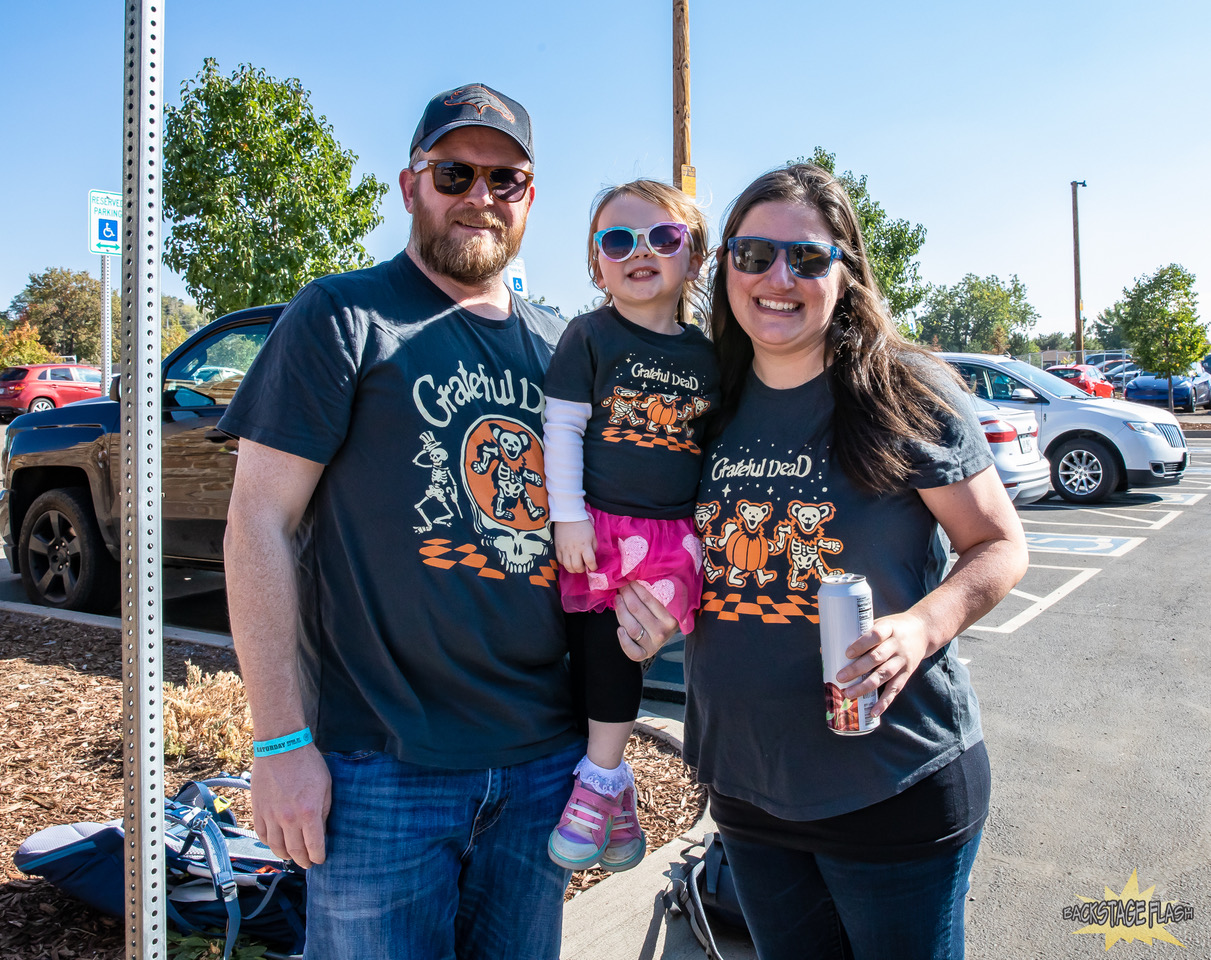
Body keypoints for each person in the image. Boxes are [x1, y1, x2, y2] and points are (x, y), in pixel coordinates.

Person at [219, 83, 675, 960]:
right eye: (455, 172)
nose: (480, 195)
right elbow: (257, 527)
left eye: (504, 179)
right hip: (382, 772)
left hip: (545, 764)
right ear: (410, 184)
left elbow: (609, 528)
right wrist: (278, 743)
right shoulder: (343, 316)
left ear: (529, 199)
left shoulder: (565, 345)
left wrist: (643, 599)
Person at [682, 164, 1029, 960]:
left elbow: (998, 545)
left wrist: (918, 627)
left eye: (805, 259)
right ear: (724, 266)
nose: (777, 278)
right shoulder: (706, 400)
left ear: (845, 273)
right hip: (745, 786)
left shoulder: (902, 389)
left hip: (892, 782)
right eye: (752, 254)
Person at [541, 180, 719, 872]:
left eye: (663, 237)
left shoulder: (709, 357)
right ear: (596, 265)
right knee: (593, 655)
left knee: (625, 645)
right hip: (599, 530)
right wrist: (568, 515)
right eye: (617, 240)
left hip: (675, 537)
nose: (639, 252)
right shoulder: (588, 335)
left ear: (693, 257)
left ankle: (600, 784)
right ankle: (608, 784)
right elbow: (562, 427)